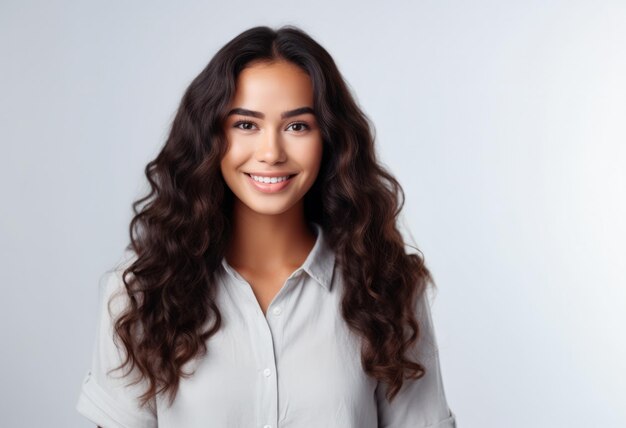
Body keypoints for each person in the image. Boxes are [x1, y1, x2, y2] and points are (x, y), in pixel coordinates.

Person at [76, 25, 457, 428]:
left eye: (297, 126)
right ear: (209, 136)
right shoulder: (140, 291)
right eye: (245, 125)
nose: (271, 152)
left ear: (328, 138)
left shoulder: (387, 287)